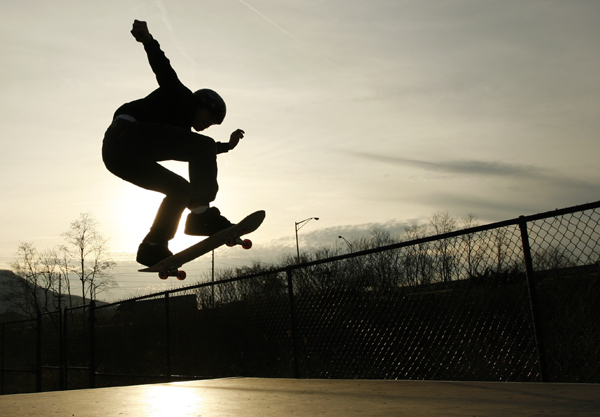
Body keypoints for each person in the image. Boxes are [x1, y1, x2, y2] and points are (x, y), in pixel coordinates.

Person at [102, 20, 245, 267]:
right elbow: (163, 69)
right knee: (203, 146)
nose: (206, 125)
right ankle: (201, 216)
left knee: (181, 189)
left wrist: (226, 147)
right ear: (201, 105)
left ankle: (153, 245)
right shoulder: (181, 98)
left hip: (120, 159)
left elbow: (196, 148)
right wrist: (148, 40)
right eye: (208, 119)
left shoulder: (178, 131)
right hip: (126, 134)